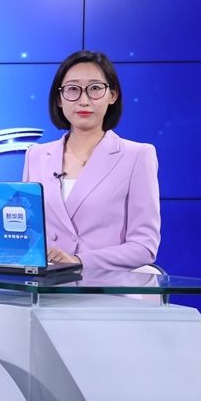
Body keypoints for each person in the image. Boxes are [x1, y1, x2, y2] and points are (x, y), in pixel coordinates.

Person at [22, 50, 160, 271]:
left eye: (95, 88)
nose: (84, 100)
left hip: (104, 286)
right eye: (73, 89)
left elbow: (144, 246)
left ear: (112, 95)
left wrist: (78, 261)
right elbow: (27, 233)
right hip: (47, 285)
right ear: (59, 98)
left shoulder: (137, 156)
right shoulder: (36, 156)